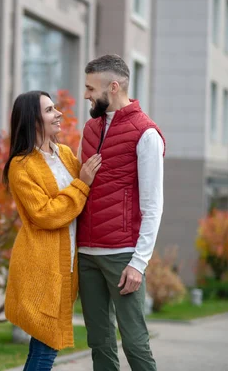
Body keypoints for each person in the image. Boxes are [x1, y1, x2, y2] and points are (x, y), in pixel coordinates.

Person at [77, 54, 165, 371]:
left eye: (90, 88)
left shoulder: (146, 134)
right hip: (86, 253)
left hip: (122, 256)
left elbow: (153, 204)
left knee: (134, 342)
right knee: (99, 343)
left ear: (113, 87)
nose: (85, 94)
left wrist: (139, 263)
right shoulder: (89, 129)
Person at [3, 90, 102, 371]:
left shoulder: (66, 155)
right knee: (47, 347)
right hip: (40, 267)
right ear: (31, 120)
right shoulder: (21, 166)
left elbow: (84, 201)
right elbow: (45, 214)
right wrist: (81, 184)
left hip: (66, 265)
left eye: (56, 108)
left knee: (44, 347)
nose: (58, 114)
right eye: (49, 110)